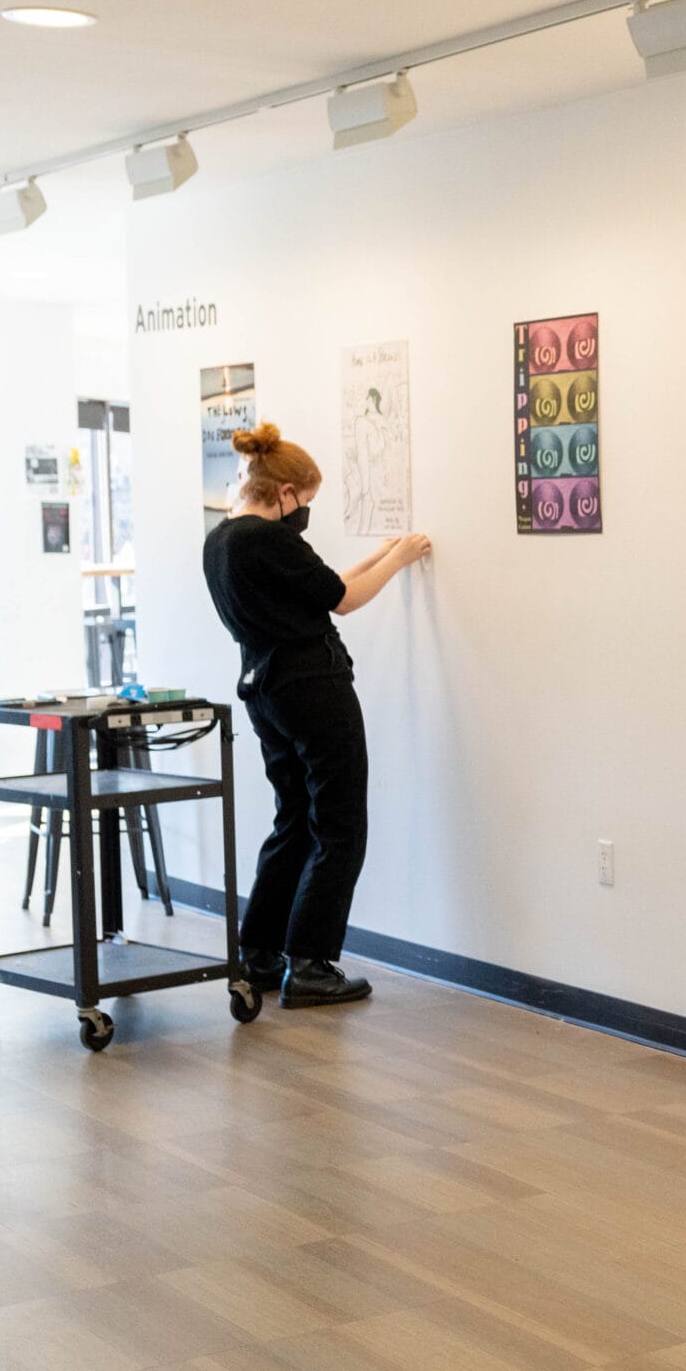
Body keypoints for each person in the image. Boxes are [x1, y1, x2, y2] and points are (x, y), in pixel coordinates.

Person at [202, 423, 431, 1008]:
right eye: (304, 502)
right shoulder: (270, 540)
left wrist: (381, 555)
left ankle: (258, 953)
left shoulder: (222, 542)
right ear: (283, 492)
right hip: (315, 690)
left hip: (266, 692)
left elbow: (323, 586)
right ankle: (311, 963)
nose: (304, 513)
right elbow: (344, 601)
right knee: (341, 823)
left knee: (295, 817)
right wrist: (401, 560)